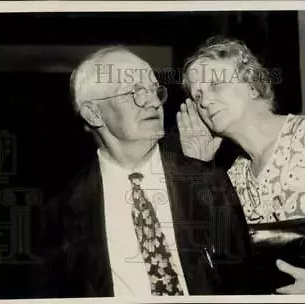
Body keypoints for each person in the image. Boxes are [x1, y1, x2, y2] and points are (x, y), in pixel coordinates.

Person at [33, 46, 255, 298]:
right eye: (134, 92)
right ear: (93, 113)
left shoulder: (209, 182)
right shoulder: (59, 214)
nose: (153, 102)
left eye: (153, 90)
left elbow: (243, 284)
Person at [177, 36, 305, 294]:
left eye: (216, 84)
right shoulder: (234, 177)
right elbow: (211, 263)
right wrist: (197, 167)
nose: (205, 101)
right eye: (197, 95)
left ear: (252, 85)